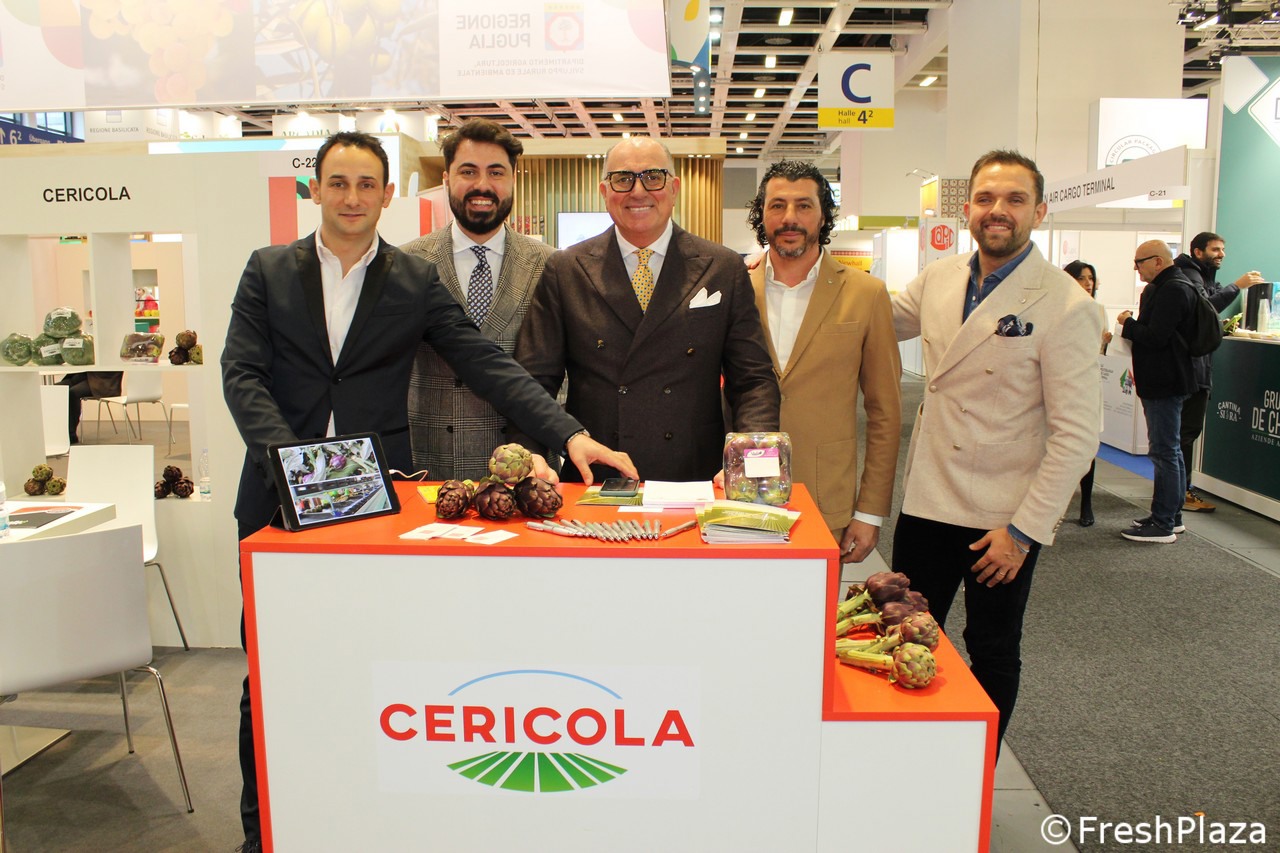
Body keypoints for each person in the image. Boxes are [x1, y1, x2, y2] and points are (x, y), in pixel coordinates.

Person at [221, 131, 635, 853]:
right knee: (272, 675)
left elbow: (484, 362)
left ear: (388, 194)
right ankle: (264, 832)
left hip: (374, 508)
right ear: (314, 190)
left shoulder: (410, 280)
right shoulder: (268, 270)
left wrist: (570, 436)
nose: (352, 198)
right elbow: (242, 375)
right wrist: (297, 465)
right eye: (338, 182)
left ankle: (356, 822)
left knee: (368, 668)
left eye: (366, 184)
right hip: (277, 503)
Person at [890, 150, 1102, 745]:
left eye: (1014, 199)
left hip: (1001, 521)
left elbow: (1077, 434)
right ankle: (908, 754)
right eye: (985, 199)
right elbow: (869, 320)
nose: (997, 210)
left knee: (992, 647)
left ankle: (977, 769)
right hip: (928, 499)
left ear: (1039, 211)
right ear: (967, 210)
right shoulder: (939, 279)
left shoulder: (1067, 304)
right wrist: (795, 277)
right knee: (903, 632)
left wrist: (1025, 532)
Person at [514, 136, 780, 482]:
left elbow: (752, 379)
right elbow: (535, 378)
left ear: (674, 188)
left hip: (695, 476)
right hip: (597, 475)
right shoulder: (566, 269)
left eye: (653, 177)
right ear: (604, 191)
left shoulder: (722, 268)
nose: (638, 191)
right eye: (622, 179)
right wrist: (529, 453)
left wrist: (751, 461)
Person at [745, 160, 901, 562]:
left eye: (804, 205)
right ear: (762, 214)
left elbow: (885, 411)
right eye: (777, 205)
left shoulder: (866, 294)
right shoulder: (735, 287)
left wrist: (869, 512)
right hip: (738, 495)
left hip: (825, 496)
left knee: (817, 604)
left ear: (823, 214)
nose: (790, 217)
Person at [401, 119, 555, 481]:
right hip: (427, 464)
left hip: (523, 468)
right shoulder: (406, 263)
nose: (482, 185)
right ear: (446, 179)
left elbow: (558, 376)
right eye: (468, 171)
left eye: (496, 172)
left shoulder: (549, 265)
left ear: (514, 180)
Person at [1172, 231, 1267, 513]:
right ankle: (1179, 494)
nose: (1221, 254)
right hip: (1190, 370)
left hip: (1195, 368)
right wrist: (1238, 286)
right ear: (1198, 251)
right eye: (1215, 249)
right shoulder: (1189, 275)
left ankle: (1177, 493)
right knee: (1184, 434)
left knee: (1184, 434)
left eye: (1223, 249)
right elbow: (1205, 307)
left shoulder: (1203, 275)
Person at [1117, 240, 1197, 544]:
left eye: (1139, 262)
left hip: (1166, 381)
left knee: (1165, 452)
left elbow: (1155, 337)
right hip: (1166, 379)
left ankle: (1163, 523)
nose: (1136, 268)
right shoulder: (1169, 287)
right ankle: (1170, 517)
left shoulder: (1173, 289)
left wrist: (1127, 323)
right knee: (1169, 451)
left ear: (1158, 261)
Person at [1063, 260, 1110, 527]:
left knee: (1088, 444)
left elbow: (1099, 350)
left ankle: (1086, 503)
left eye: (1091, 278)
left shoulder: (1098, 310)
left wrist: (1106, 343)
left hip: (1088, 383)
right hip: (1060, 381)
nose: (1088, 283)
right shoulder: (1058, 307)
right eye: (1082, 278)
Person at [56, 370, 122, 444]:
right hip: (85, 375)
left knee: (73, 393)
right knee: (55, 389)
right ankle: (55, 431)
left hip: (103, 382)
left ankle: (71, 434)